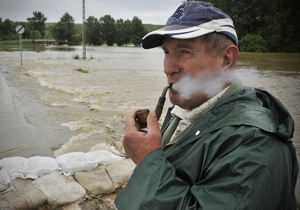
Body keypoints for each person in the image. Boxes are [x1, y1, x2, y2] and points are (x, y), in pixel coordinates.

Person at [115, 2, 299, 209]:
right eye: (166, 51)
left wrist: (147, 159)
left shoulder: (254, 142)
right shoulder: (187, 108)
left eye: (184, 51)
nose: (168, 68)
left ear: (226, 59)